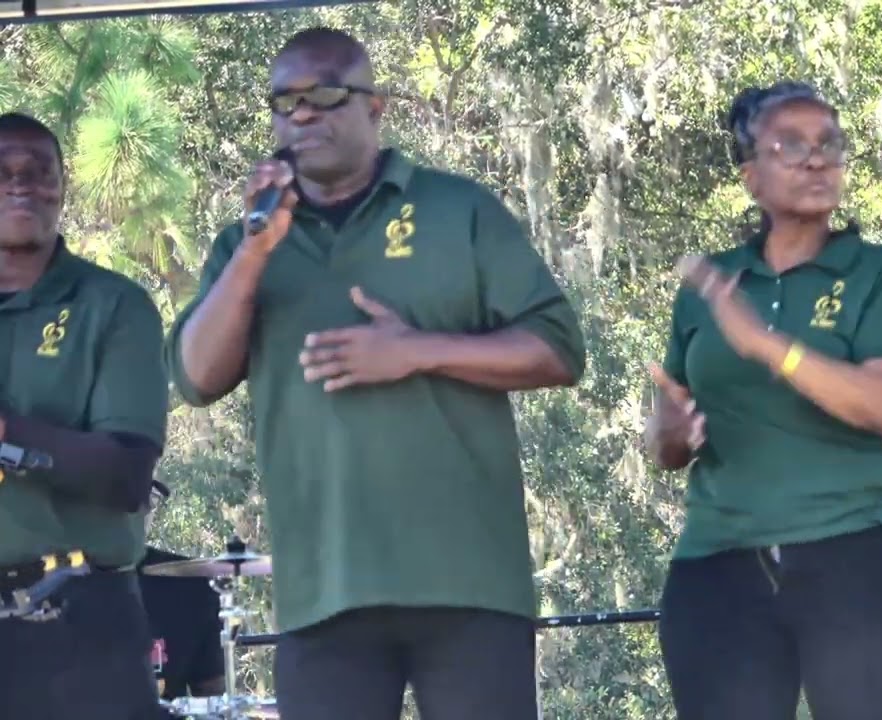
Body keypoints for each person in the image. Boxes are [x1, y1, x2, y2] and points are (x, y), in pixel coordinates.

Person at [163, 27, 585, 720]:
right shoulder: (246, 242)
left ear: (375, 106)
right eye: (285, 101)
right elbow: (196, 378)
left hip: (468, 582)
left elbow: (559, 349)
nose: (303, 113)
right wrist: (254, 252)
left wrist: (418, 351)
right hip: (323, 593)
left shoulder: (458, 210)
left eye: (325, 94)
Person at [644, 81, 882, 720]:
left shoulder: (878, 271)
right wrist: (669, 432)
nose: (816, 158)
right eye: (791, 146)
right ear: (751, 176)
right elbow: (667, 443)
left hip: (851, 553)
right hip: (719, 563)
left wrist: (767, 345)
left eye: (829, 143)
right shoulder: (711, 287)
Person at [0, 112, 168, 718]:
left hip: (79, 621)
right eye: (2, 171)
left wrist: (7, 434)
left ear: (62, 187)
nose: (20, 184)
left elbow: (126, 477)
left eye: (38, 170)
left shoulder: (114, 305)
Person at [136, 479, 225, 715]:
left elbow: (212, 698)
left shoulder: (191, 585)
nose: (140, 512)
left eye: (149, 501)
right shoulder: (57, 581)